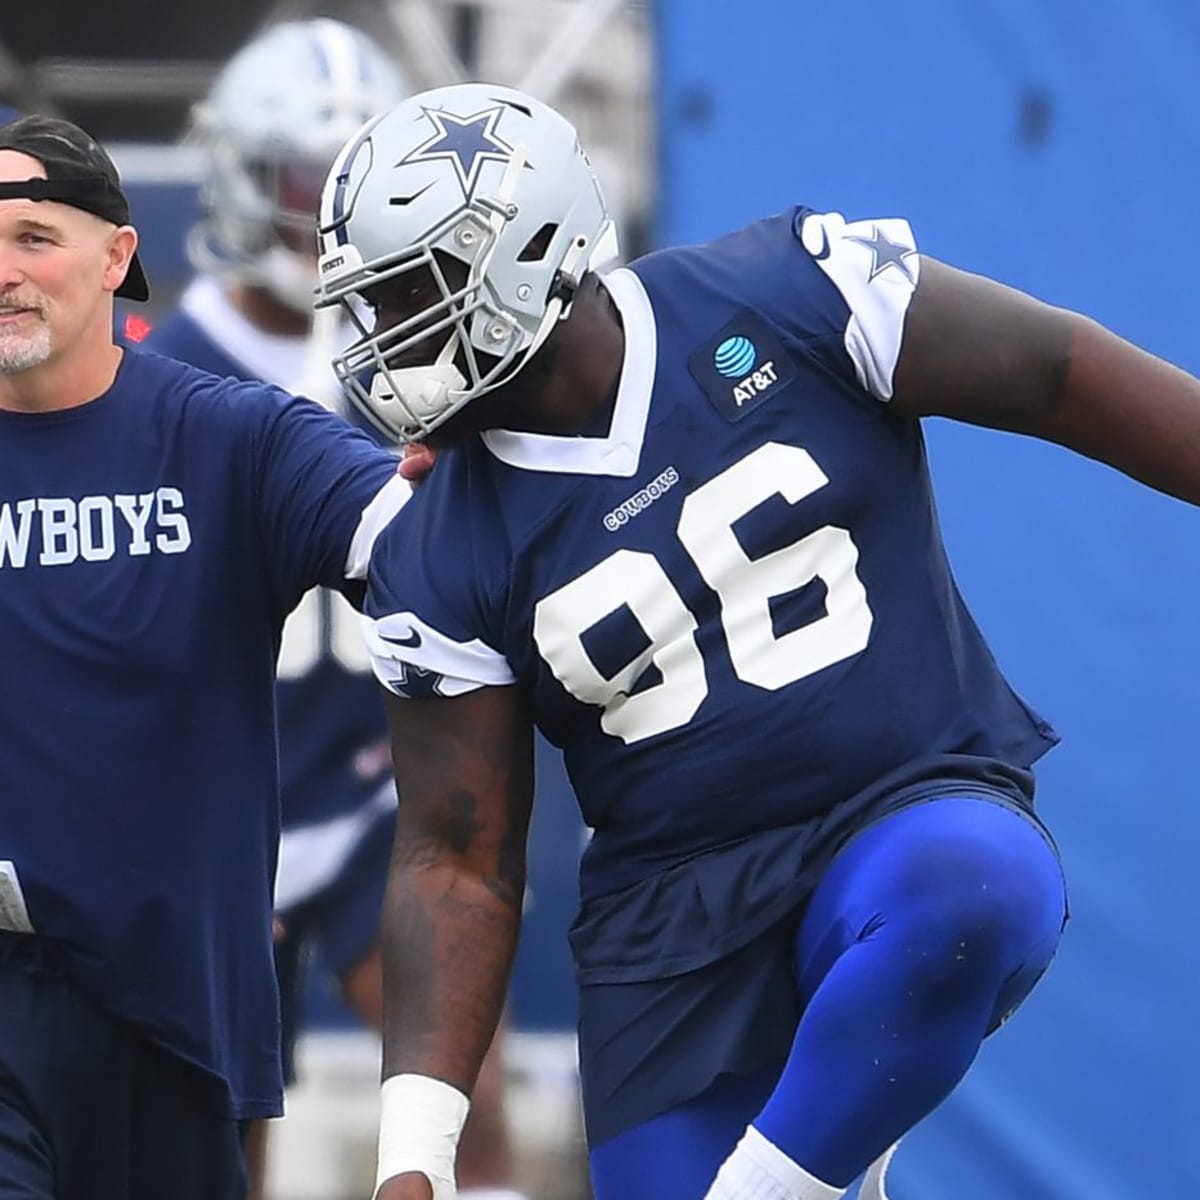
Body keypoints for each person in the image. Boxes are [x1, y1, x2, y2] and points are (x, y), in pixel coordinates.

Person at [316, 83, 1199, 1200]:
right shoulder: (436, 541)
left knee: (979, 885)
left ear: (527, 249)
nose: (387, 335)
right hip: (673, 938)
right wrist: (412, 1161)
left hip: (893, 813)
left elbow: (1060, 374)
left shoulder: (786, 296)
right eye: (373, 302)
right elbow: (457, 855)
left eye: (412, 292)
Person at [143, 21, 525, 1200]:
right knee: (217, 1145)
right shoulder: (157, 370)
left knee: (472, 1117)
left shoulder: (410, 353)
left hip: (367, 804)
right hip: (209, 822)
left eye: (346, 187)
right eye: (303, 182)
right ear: (240, 178)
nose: (318, 216)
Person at [0, 112, 412, 1200]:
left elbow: (413, 545)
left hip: (173, 1012)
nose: (3, 272)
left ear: (117, 254)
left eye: (32, 236)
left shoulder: (231, 440)